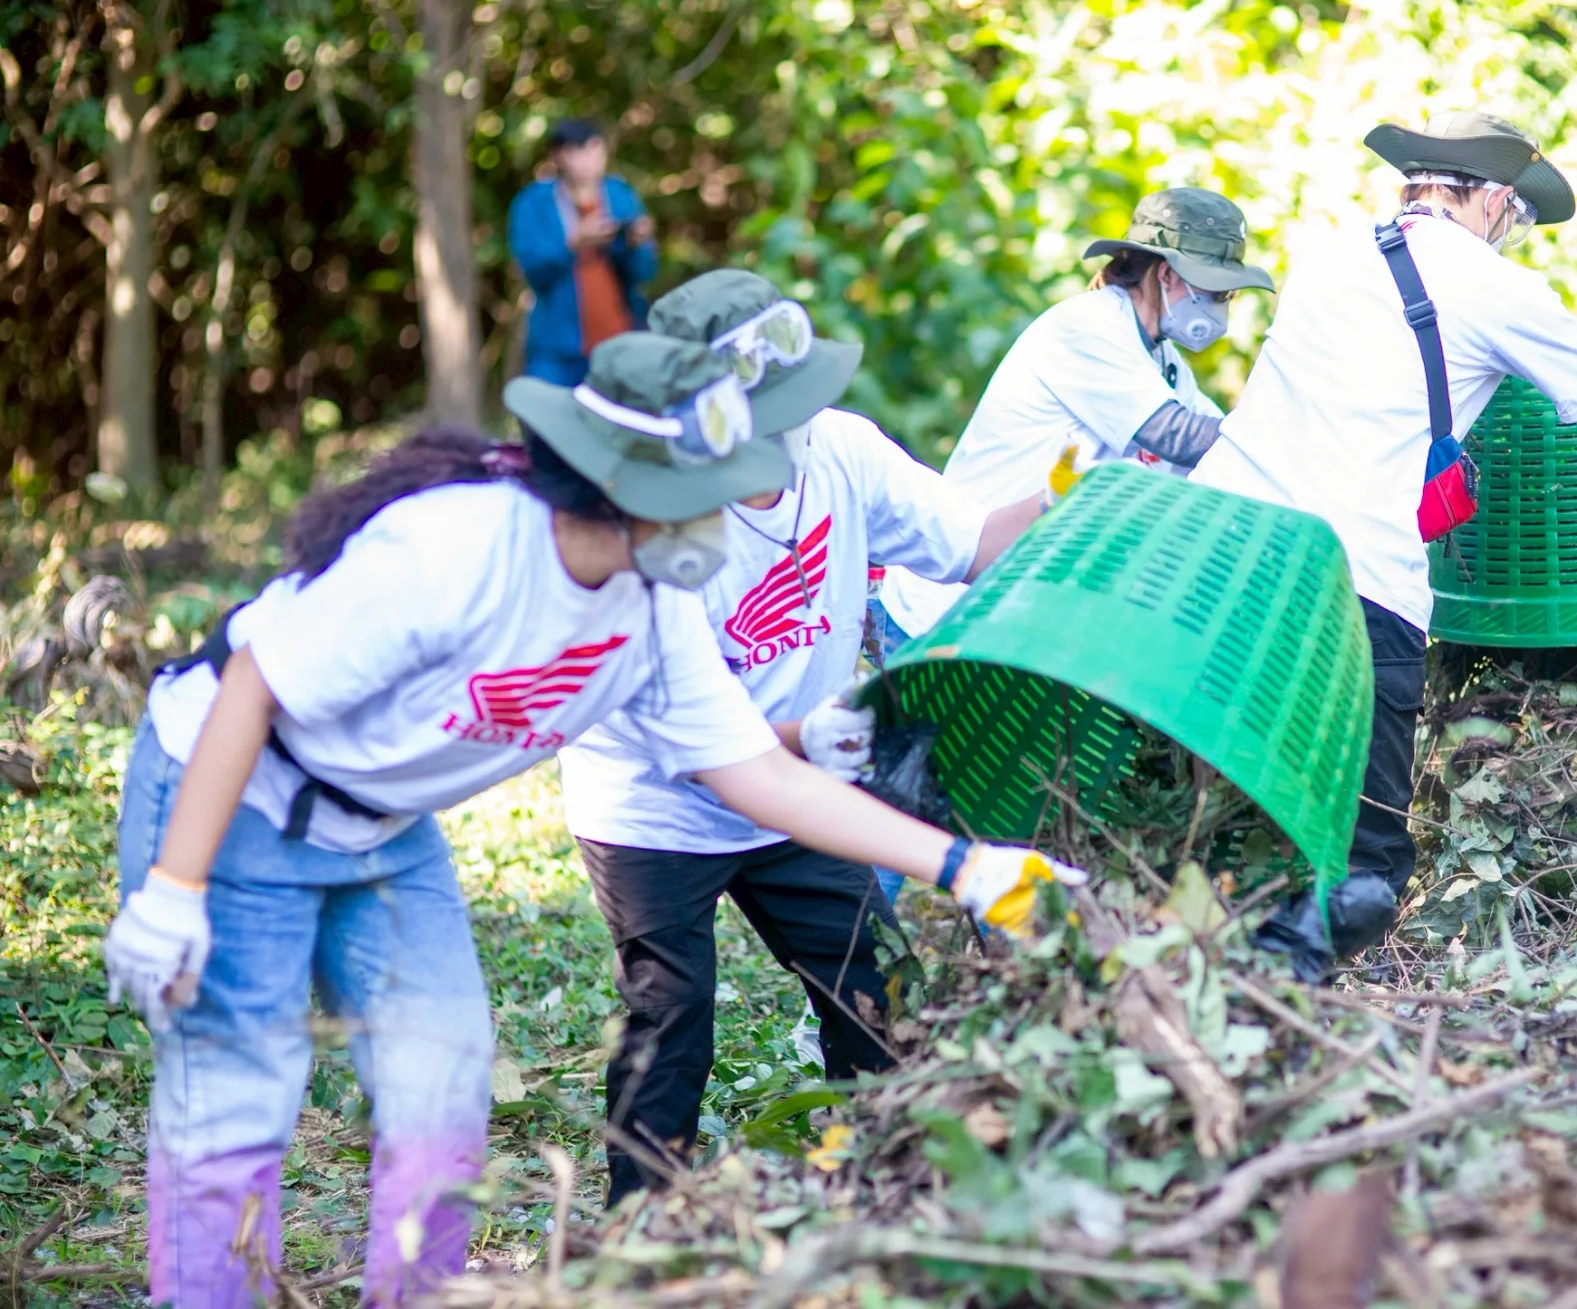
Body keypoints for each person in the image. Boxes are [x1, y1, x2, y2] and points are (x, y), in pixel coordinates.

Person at [101, 332, 1085, 1309]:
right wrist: (176, 889)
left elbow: (755, 773)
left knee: (444, 1085)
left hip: (383, 823)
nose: (741, 505)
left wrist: (965, 866)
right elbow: (254, 680)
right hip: (234, 791)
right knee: (240, 1098)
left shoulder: (654, 604)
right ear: (637, 488)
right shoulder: (459, 547)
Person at [1190, 111, 1577, 970]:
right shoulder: (1496, 287)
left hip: (1222, 545)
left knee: (1235, 806)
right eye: (1519, 220)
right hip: (1350, 575)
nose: (1516, 237)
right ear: (1494, 199)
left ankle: (1202, 972)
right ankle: (1308, 1025)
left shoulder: (1332, 256)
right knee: (1368, 862)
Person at [555, 271, 1052, 1204]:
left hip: (798, 789)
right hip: (654, 806)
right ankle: (637, 1228)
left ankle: (887, 1181)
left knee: (878, 987)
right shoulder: (658, 531)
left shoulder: (843, 451)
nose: (796, 428)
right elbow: (713, 754)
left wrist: (1072, 491)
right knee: (671, 1017)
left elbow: (975, 540)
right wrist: (818, 737)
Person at [877, 187, 1273, 646]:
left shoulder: (1161, 361)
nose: (1222, 305)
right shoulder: (1091, 328)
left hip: (1015, 618)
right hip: (943, 610)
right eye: (1215, 290)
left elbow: (1224, 446)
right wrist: (1280, 431)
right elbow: (1181, 437)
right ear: (1166, 274)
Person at [508, 118, 660, 385]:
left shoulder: (620, 194)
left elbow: (644, 272)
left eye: (595, 149)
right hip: (558, 346)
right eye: (579, 151)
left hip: (619, 336)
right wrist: (574, 244)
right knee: (547, 420)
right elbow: (533, 271)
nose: (590, 160)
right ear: (558, 156)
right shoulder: (534, 203)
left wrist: (636, 245)